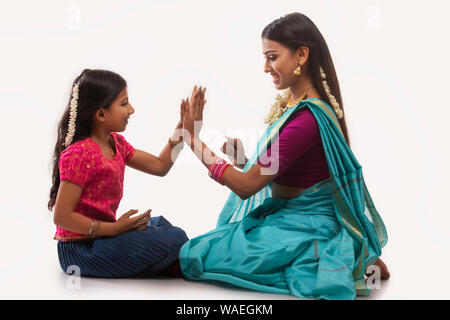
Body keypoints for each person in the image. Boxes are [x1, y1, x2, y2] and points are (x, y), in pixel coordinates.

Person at [177, 13, 389, 299]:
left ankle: (338, 253)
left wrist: (191, 139)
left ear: (302, 54)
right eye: (265, 58)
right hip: (290, 216)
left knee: (198, 255)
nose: (266, 67)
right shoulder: (301, 109)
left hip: (309, 222)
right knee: (209, 249)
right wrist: (243, 161)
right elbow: (286, 169)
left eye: (272, 57)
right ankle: (351, 253)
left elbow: (246, 187)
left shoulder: (307, 119)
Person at [48, 69, 188, 278]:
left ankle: (162, 261)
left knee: (161, 225)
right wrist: (114, 230)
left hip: (103, 237)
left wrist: (183, 130)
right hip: (79, 251)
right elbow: (61, 217)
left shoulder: (116, 143)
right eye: (124, 104)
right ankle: (168, 262)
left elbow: (160, 166)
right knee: (174, 238)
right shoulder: (79, 154)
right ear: (101, 114)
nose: (131, 110)